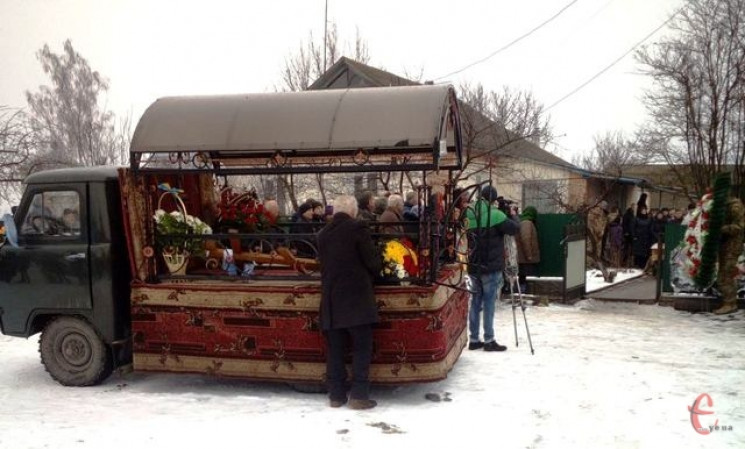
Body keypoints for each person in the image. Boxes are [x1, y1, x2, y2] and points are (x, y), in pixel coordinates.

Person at [317, 194, 382, 410]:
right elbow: (372, 262)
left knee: (335, 350)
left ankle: (336, 395)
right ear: (353, 211)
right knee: (361, 348)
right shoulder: (358, 228)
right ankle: (359, 396)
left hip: (332, 300)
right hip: (357, 299)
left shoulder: (323, 234)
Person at [464, 185, 520, 352]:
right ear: (493, 200)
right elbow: (515, 229)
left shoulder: (469, 213)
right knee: (489, 303)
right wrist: (514, 215)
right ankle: (489, 339)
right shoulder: (496, 215)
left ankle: (474, 339)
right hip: (491, 266)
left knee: (475, 302)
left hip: (474, 265)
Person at [713, 192, 744, 315]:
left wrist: (722, 228)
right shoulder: (724, 206)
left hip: (732, 246)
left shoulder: (735, 206)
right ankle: (729, 302)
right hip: (725, 246)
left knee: (725, 275)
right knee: (724, 275)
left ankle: (730, 304)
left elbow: (740, 227)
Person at [516, 205, 540, 293]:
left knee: (522, 275)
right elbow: (525, 238)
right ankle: (522, 291)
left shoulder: (524, 222)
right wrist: (529, 255)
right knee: (523, 275)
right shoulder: (526, 223)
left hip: (522, 256)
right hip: (524, 257)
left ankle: (522, 290)